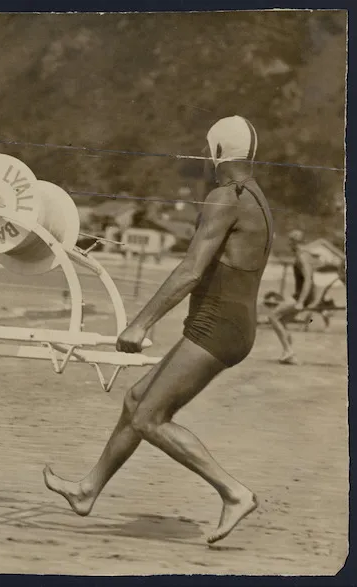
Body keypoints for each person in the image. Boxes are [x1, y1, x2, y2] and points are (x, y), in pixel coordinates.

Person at [44, 116, 273, 544]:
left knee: (150, 417)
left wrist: (140, 322)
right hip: (232, 325)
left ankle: (234, 493)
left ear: (217, 152)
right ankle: (87, 489)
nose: (204, 160)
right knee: (136, 400)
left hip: (217, 327)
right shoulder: (255, 196)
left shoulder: (225, 196)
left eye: (206, 152)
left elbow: (190, 271)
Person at [266, 229, 321, 364]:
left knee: (272, 316)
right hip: (302, 296)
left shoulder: (302, 257)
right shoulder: (304, 255)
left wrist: (301, 301)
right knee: (282, 321)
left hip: (301, 297)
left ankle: (289, 351)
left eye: (290, 242)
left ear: (294, 243)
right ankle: (289, 353)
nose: (289, 245)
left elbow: (308, 280)